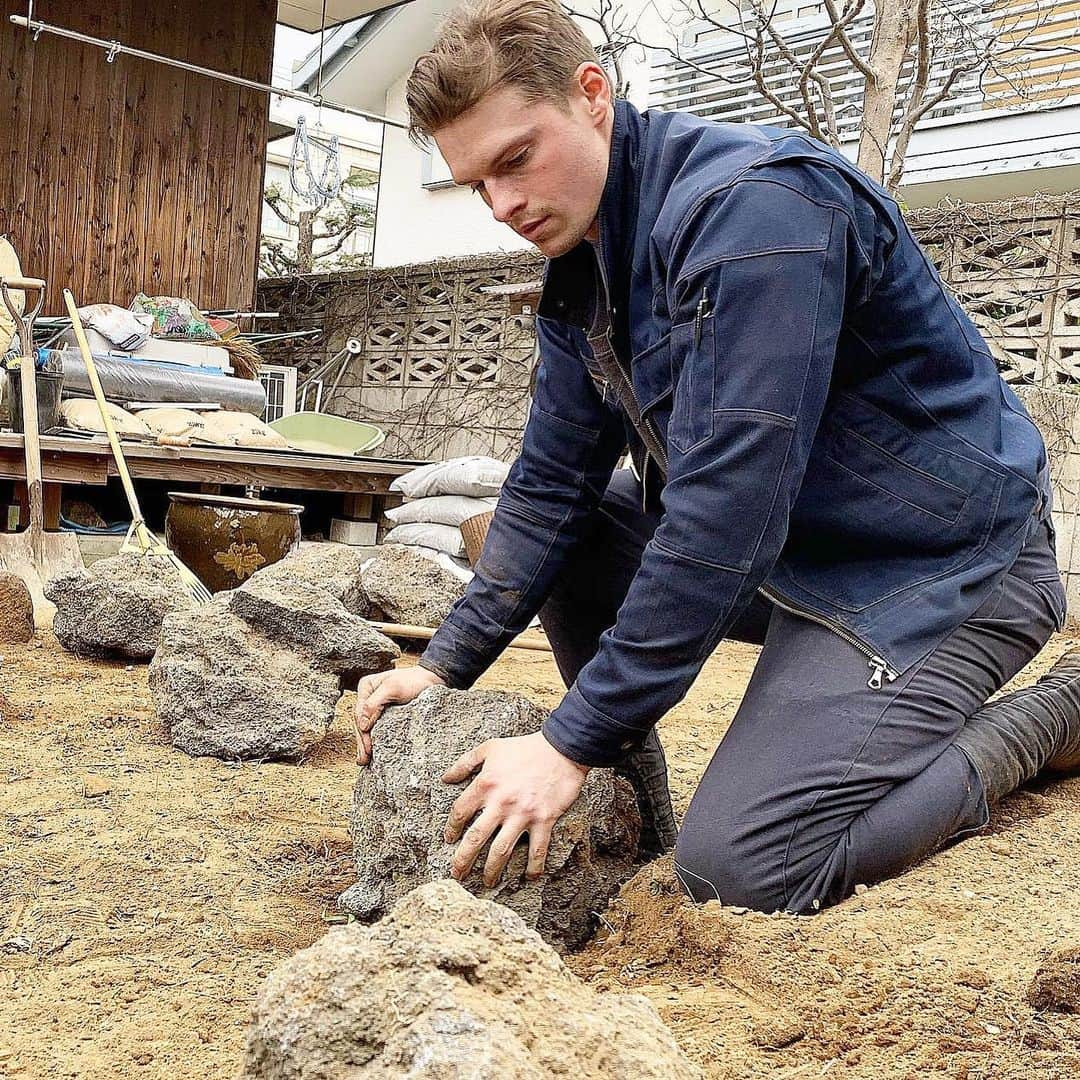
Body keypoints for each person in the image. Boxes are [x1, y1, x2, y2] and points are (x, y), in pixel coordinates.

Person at [355, 0, 1080, 915]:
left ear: (591, 95)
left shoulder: (760, 214)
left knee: (746, 870)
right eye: (476, 184)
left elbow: (730, 501)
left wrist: (567, 738)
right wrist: (446, 661)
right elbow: (550, 483)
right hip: (797, 559)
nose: (502, 206)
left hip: (938, 567)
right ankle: (629, 807)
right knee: (553, 526)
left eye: (515, 160)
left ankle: (1049, 721)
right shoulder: (587, 260)